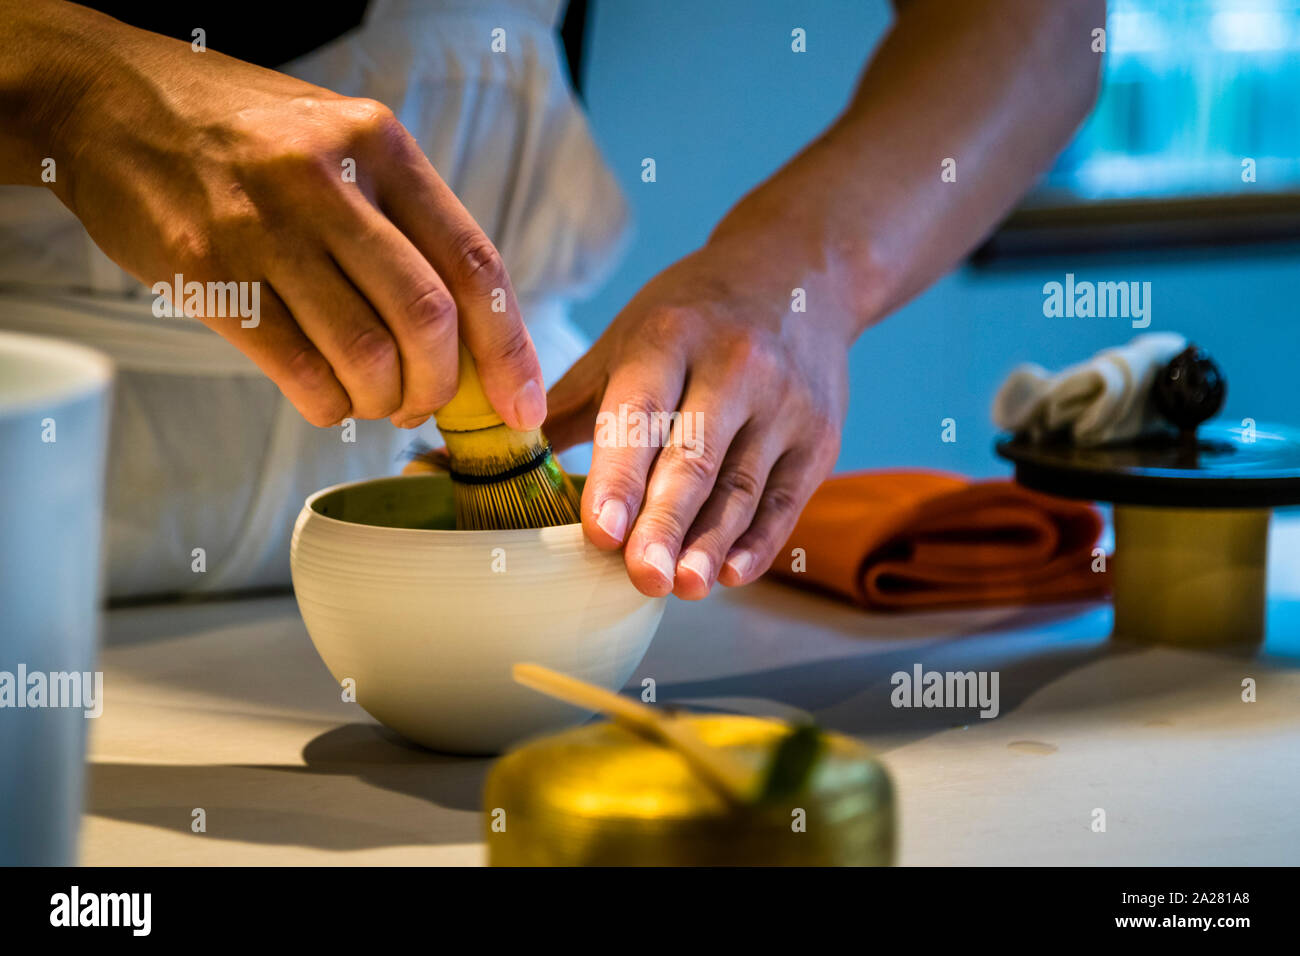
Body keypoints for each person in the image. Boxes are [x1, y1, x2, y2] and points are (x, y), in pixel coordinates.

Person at [0, 0, 1103, 601]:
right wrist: (67, 82)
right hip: (34, 515)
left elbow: (1044, 22)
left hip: (520, 531)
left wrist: (800, 274)